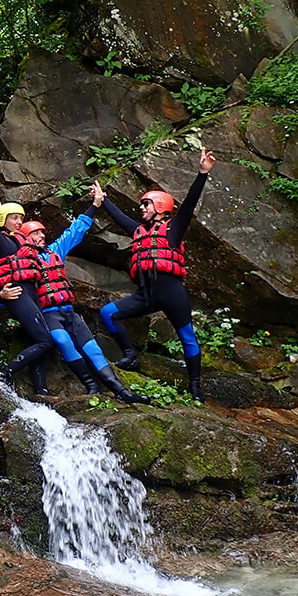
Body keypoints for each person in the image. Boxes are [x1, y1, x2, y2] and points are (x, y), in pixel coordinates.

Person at [99, 148, 217, 400]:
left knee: (187, 337)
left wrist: (202, 174)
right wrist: (102, 199)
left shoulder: (173, 229)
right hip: (147, 295)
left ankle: (195, 387)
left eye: (146, 204)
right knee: (108, 313)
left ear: (161, 207)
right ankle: (130, 355)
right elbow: (119, 218)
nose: (141, 208)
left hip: (171, 293)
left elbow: (189, 204)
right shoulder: (139, 231)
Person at [21, 186, 149, 404]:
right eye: (36, 233)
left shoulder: (55, 251)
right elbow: (8, 286)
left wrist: (95, 205)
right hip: (49, 314)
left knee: (93, 348)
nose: (42, 236)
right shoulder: (21, 262)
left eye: (42, 232)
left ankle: (121, 390)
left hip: (69, 312)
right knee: (61, 339)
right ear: (25, 238)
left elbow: (75, 231)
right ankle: (90, 384)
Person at [0, 184, 55, 395]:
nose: (19, 222)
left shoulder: (23, 242)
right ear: (4, 220)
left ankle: (41, 391)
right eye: (14, 218)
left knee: (35, 340)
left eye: (20, 218)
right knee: (45, 341)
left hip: (31, 293)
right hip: (17, 293)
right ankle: (4, 373)